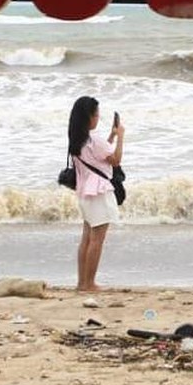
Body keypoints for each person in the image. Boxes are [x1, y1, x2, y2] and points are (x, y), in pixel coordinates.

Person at [67, 96, 124, 292]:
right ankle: (90, 283)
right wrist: (121, 136)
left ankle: (82, 282)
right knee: (97, 240)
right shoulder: (95, 141)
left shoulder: (77, 142)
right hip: (99, 191)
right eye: (97, 114)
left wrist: (111, 137)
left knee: (87, 238)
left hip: (85, 192)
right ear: (89, 117)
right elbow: (115, 160)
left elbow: (98, 156)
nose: (98, 118)